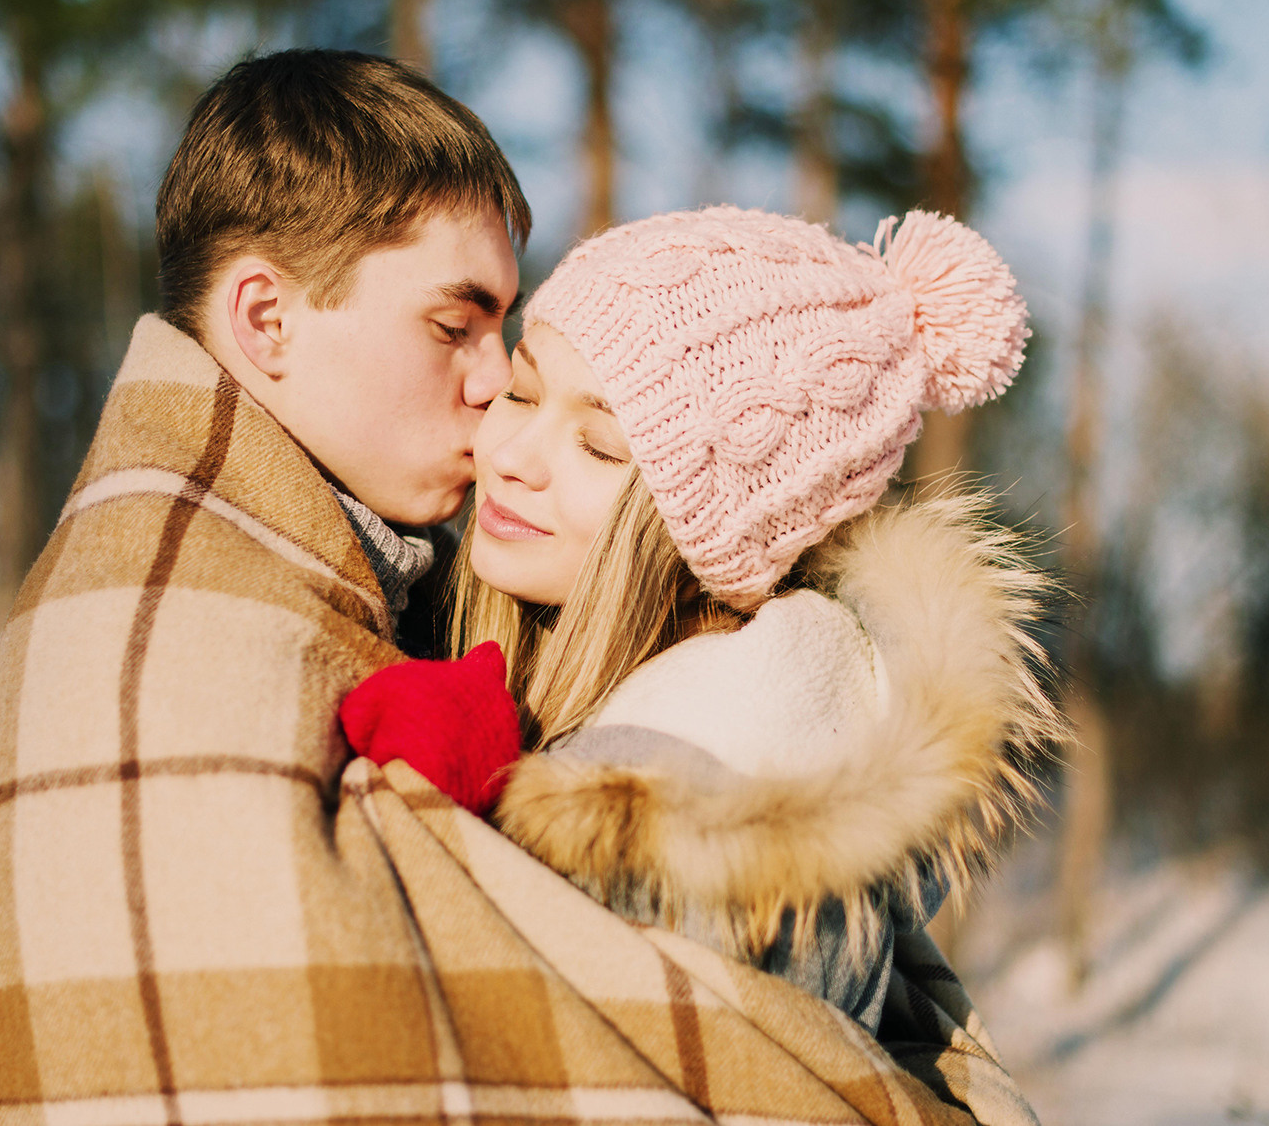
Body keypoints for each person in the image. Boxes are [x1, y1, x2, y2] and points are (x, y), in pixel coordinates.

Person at [0, 53, 1019, 1126]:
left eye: (587, 435)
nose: (492, 397)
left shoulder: (710, 725)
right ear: (264, 319)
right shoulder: (156, 622)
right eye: (457, 327)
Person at [343, 204, 1065, 1073]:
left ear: (710, 541)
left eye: (601, 446)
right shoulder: (633, 673)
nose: (511, 453)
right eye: (525, 391)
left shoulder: (684, 819)